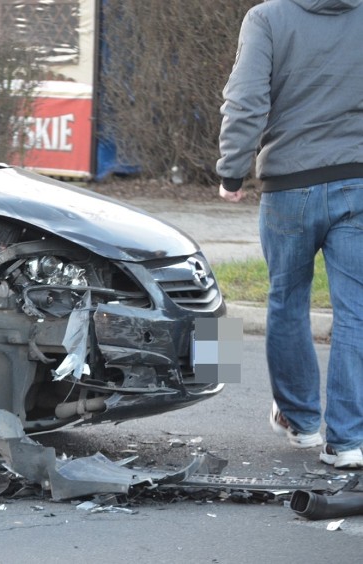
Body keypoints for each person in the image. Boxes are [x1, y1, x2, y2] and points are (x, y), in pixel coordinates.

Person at [217, 0, 363, 469]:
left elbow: (246, 99)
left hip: (289, 187)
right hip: (358, 181)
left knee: (287, 299)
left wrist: (232, 171)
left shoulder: (268, 18)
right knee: (355, 311)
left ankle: (301, 422)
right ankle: (348, 442)